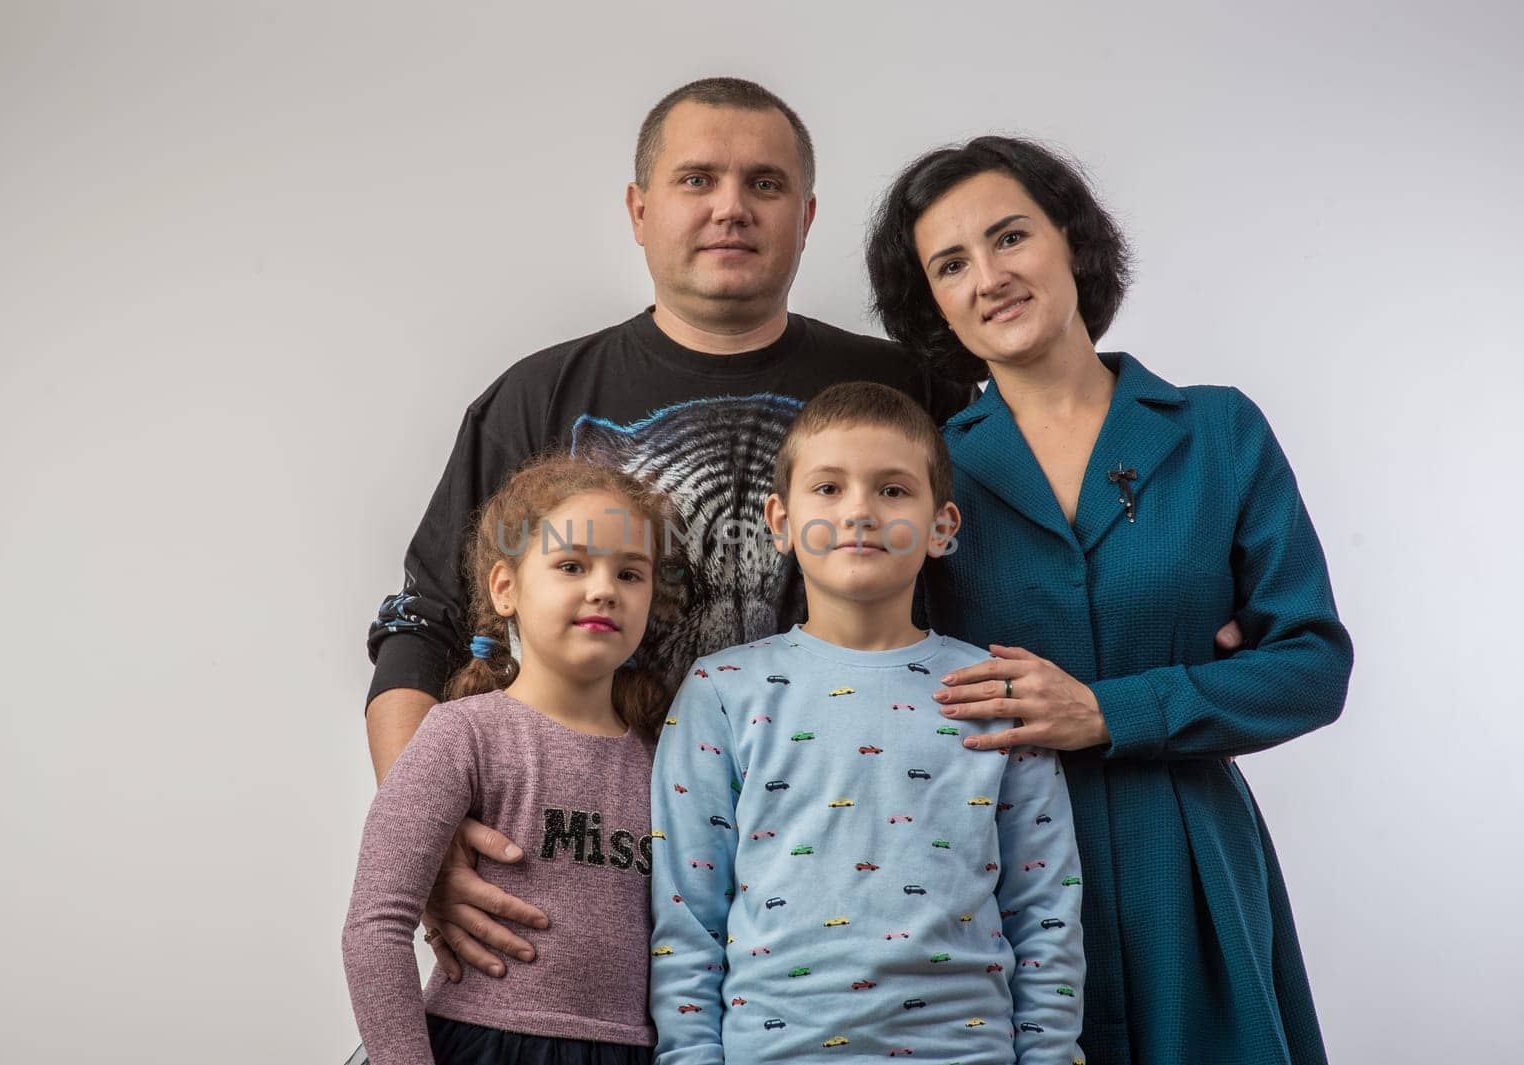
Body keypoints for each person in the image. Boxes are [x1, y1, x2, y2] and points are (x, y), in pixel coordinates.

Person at [362, 76, 972, 983]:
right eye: (697, 180)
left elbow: (1019, 559)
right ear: (640, 209)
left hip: (839, 882)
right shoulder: (539, 397)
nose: (731, 208)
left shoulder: (907, 393)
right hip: (564, 890)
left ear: (806, 217)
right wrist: (423, 835)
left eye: (764, 184)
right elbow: (423, 626)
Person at [865, 136, 1353, 1065]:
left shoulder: (1219, 430)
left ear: (1072, 242)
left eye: (1011, 238)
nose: (990, 277)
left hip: (1190, 865)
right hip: (991, 870)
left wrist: (1108, 708)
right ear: (930, 302)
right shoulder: (923, 472)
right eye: (952, 264)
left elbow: (1312, 666)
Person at [648, 383, 1086, 1064]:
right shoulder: (722, 691)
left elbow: (1046, 913)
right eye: (828, 488)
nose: (858, 510)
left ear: (942, 526)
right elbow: (687, 916)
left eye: (891, 490)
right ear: (781, 519)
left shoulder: (993, 693)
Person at [342, 455, 679, 1065]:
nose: (604, 587)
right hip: (478, 1045)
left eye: (631, 573)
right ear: (506, 588)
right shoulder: (461, 733)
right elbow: (376, 926)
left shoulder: (668, 761)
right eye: (572, 565)